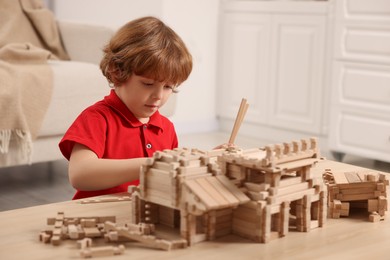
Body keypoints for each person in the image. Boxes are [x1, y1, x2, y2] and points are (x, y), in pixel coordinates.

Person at [59, 16, 193, 200]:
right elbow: (80, 175)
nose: (158, 96)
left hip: (139, 220)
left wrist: (202, 162)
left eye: (168, 87)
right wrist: (151, 163)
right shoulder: (97, 118)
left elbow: (170, 179)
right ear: (117, 71)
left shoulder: (166, 127)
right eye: (147, 83)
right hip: (95, 216)